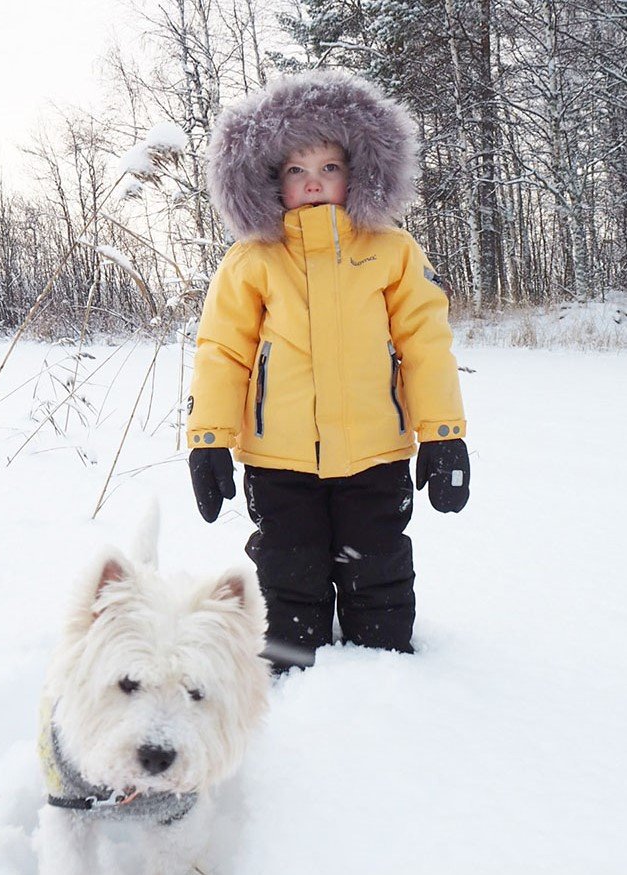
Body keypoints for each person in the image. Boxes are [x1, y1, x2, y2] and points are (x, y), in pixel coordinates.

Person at [186, 71, 470, 672]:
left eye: (330, 167)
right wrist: (210, 441)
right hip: (280, 459)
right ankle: (290, 673)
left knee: (379, 564)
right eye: (295, 170)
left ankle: (385, 668)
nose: (313, 182)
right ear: (268, 179)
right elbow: (223, 352)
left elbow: (425, 345)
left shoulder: (391, 250)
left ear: (361, 170)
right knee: (290, 568)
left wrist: (443, 436)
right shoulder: (251, 262)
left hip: (374, 453)